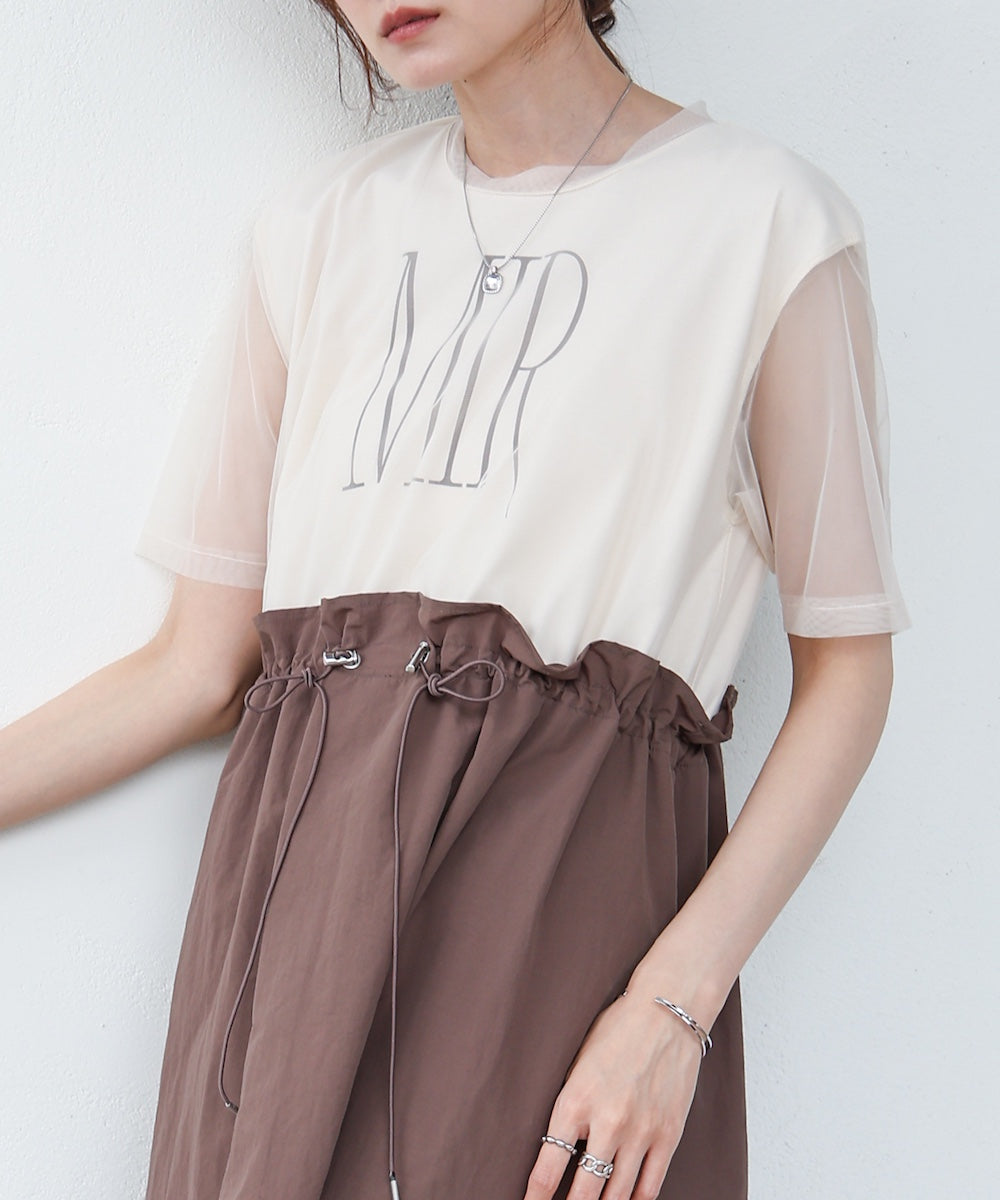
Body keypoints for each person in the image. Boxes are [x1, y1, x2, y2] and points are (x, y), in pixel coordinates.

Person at [0, 2, 911, 1198]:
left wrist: (671, 1008)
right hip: (292, 934)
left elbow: (848, 671)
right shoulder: (318, 227)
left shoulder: (765, 224)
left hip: (561, 915)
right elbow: (195, 666)